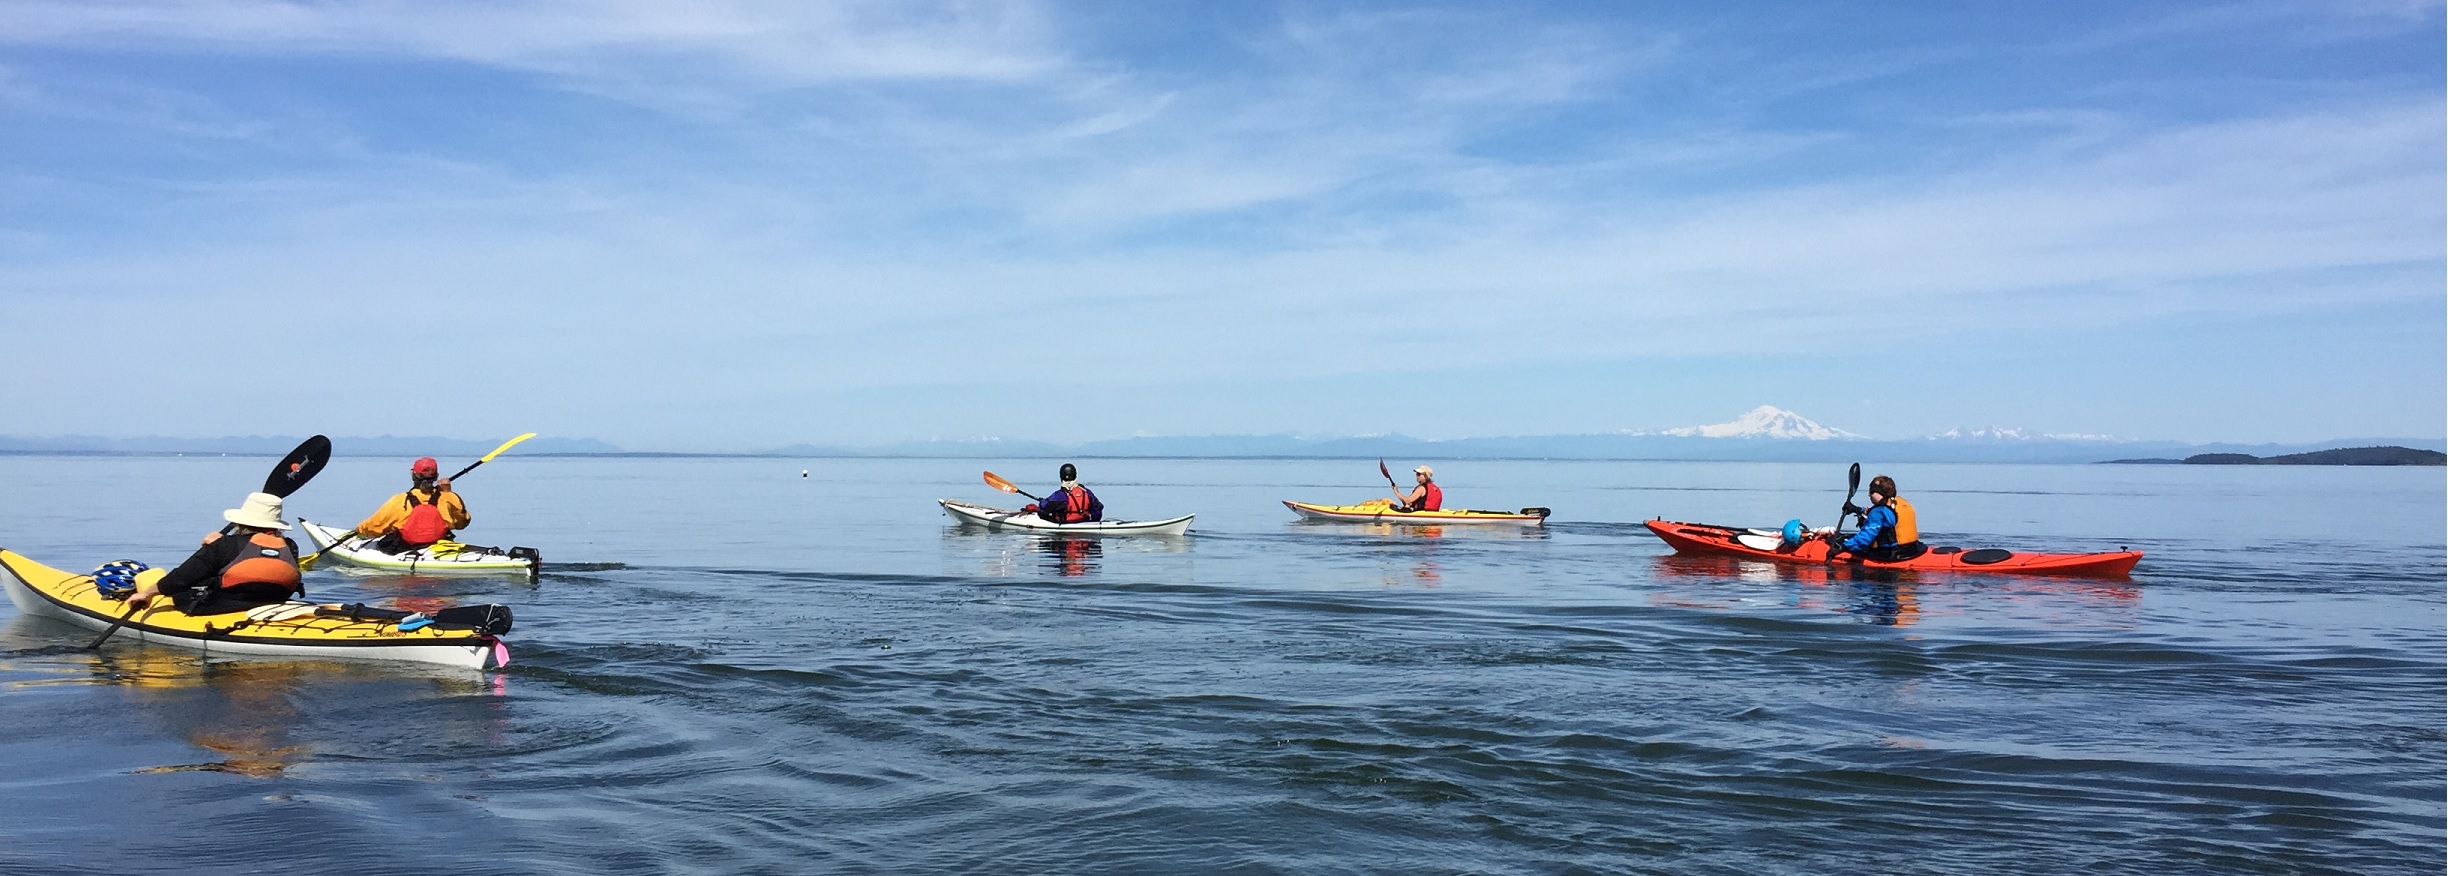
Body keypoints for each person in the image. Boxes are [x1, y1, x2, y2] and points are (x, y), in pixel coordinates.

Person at [124, 492, 303, 616]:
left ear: (240, 522)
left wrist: (147, 594)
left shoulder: (225, 544)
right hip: (274, 603)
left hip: (225, 606)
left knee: (183, 593)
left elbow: (181, 578)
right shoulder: (290, 546)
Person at [355, 456, 471, 554]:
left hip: (406, 549)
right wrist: (448, 492)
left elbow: (376, 525)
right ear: (436, 477)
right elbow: (462, 523)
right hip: (440, 548)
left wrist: (360, 530)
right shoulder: (448, 498)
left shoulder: (399, 500)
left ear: (413, 475)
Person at [1830, 474, 1924, 562]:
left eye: (1871, 492)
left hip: (1890, 554)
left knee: (1847, 542)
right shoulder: (1901, 503)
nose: (1869, 495)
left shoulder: (1878, 511)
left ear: (1880, 493)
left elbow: (1866, 536)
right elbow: (1880, 513)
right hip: (1912, 549)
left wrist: (1841, 548)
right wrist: (1856, 509)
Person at [1023, 463, 1104, 523]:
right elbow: (1097, 508)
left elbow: (1044, 507)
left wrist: (1040, 505)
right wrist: (1093, 522)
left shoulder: (1059, 495)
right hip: (1085, 522)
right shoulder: (1086, 492)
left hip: (1066, 524)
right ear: (1075, 475)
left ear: (1061, 477)